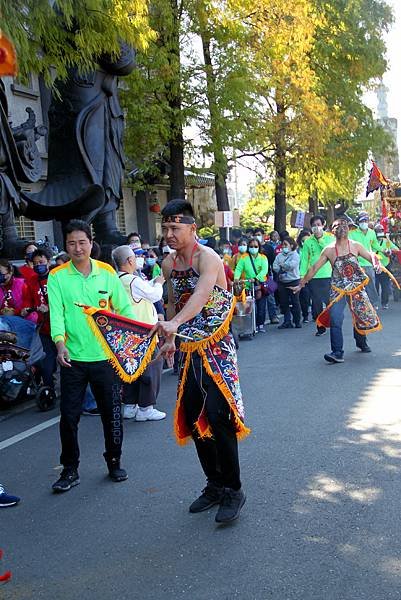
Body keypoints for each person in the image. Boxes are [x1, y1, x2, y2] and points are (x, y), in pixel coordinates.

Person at [153, 200, 248, 524]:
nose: (169, 234)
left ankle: (234, 489)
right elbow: (171, 301)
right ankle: (215, 484)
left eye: (175, 228)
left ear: (192, 228)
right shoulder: (168, 264)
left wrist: (175, 324)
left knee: (219, 416)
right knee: (193, 415)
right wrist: (169, 339)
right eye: (165, 228)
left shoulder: (208, 258)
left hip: (217, 347)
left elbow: (200, 296)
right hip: (188, 349)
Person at [47, 219, 136, 493]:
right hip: (73, 359)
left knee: (112, 415)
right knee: (69, 417)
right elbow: (57, 315)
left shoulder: (107, 273)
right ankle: (70, 469)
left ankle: (114, 460)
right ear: (66, 245)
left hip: (104, 358)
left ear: (91, 242)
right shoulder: (57, 276)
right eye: (72, 243)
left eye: (82, 242)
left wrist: (129, 343)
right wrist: (60, 344)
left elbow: (124, 311)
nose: (77, 248)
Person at [293, 218, 382, 363]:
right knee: (335, 317)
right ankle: (337, 352)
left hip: (356, 286)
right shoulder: (328, 250)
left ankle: (361, 341)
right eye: (337, 226)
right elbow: (314, 268)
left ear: (348, 229)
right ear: (332, 231)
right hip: (338, 288)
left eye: (344, 225)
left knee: (360, 315)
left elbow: (369, 256)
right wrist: (301, 283)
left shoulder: (355, 246)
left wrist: (376, 261)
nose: (341, 228)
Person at [112, 245, 166, 422]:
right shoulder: (133, 281)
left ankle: (130, 405)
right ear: (129, 260)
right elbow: (155, 295)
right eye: (135, 257)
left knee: (130, 369)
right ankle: (146, 407)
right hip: (144, 332)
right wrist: (158, 283)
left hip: (125, 333)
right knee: (151, 368)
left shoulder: (114, 280)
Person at [22, 248, 57, 392]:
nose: (38, 266)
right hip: (44, 328)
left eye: (41, 262)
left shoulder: (56, 277)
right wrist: (25, 309)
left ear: (48, 262)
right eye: (35, 263)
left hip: (61, 327)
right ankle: (49, 389)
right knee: (47, 362)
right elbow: (27, 300)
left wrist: (49, 307)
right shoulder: (32, 281)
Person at [300, 215, 333, 335]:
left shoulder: (330, 238)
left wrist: (320, 239)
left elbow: (329, 252)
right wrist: (302, 276)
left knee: (330, 302)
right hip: (314, 276)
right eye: (314, 225)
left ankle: (333, 323)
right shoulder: (308, 241)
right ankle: (320, 327)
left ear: (323, 225)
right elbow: (304, 259)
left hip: (328, 275)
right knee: (316, 304)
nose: (316, 227)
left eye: (318, 225)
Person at [234, 237, 269, 333]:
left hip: (260, 285)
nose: (253, 248)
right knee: (250, 307)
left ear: (259, 247)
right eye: (251, 246)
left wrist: (256, 278)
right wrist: (236, 279)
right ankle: (251, 325)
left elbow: (264, 271)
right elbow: (238, 269)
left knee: (261, 307)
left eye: (255, 246)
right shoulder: (244, 257)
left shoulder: (263, 258)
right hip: (248, 285)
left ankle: (260, 325)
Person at [349, 211, 381, 307]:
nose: (364, 222)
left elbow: (375, 245)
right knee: (358, 285)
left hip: (368, 262)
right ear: (358, 221)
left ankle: (373, 303)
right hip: (356, 263)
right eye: (362, 220)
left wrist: (384, 250)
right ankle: (360, 304)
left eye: (366, 220)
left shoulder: (371, 233)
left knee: (371, 284)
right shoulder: (352, 233)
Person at [273, 237, 301, 329]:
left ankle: (297, 321)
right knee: (284, 303)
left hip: (293, 281)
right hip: (282, 282)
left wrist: (283, 266)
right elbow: (275, 266)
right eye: (283, 244)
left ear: (291, 245)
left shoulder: (295, 255)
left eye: (286, 244)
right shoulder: (279, 256)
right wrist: (283, 267)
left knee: (295, 302)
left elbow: (292, 265)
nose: (283, 246)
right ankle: (287, 321)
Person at [375, 224, 397, 309]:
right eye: (378, 230)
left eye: (381, 230)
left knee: (385, 286)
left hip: (385, 266)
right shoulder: (372, 240)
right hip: (375, 266)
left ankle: (385, 303)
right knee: (374, 286)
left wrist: (390, 251)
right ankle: (375, 303)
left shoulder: (386, 241)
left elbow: (395, 248)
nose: (380, 232)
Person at [297, 229, 311, 323]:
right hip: (301, 276)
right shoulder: (298, 251)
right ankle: (305, 315)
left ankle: (316, 314)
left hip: (313, 275)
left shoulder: (313, 249)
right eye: (303, 241)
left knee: (313, 296)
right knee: (304, 297)